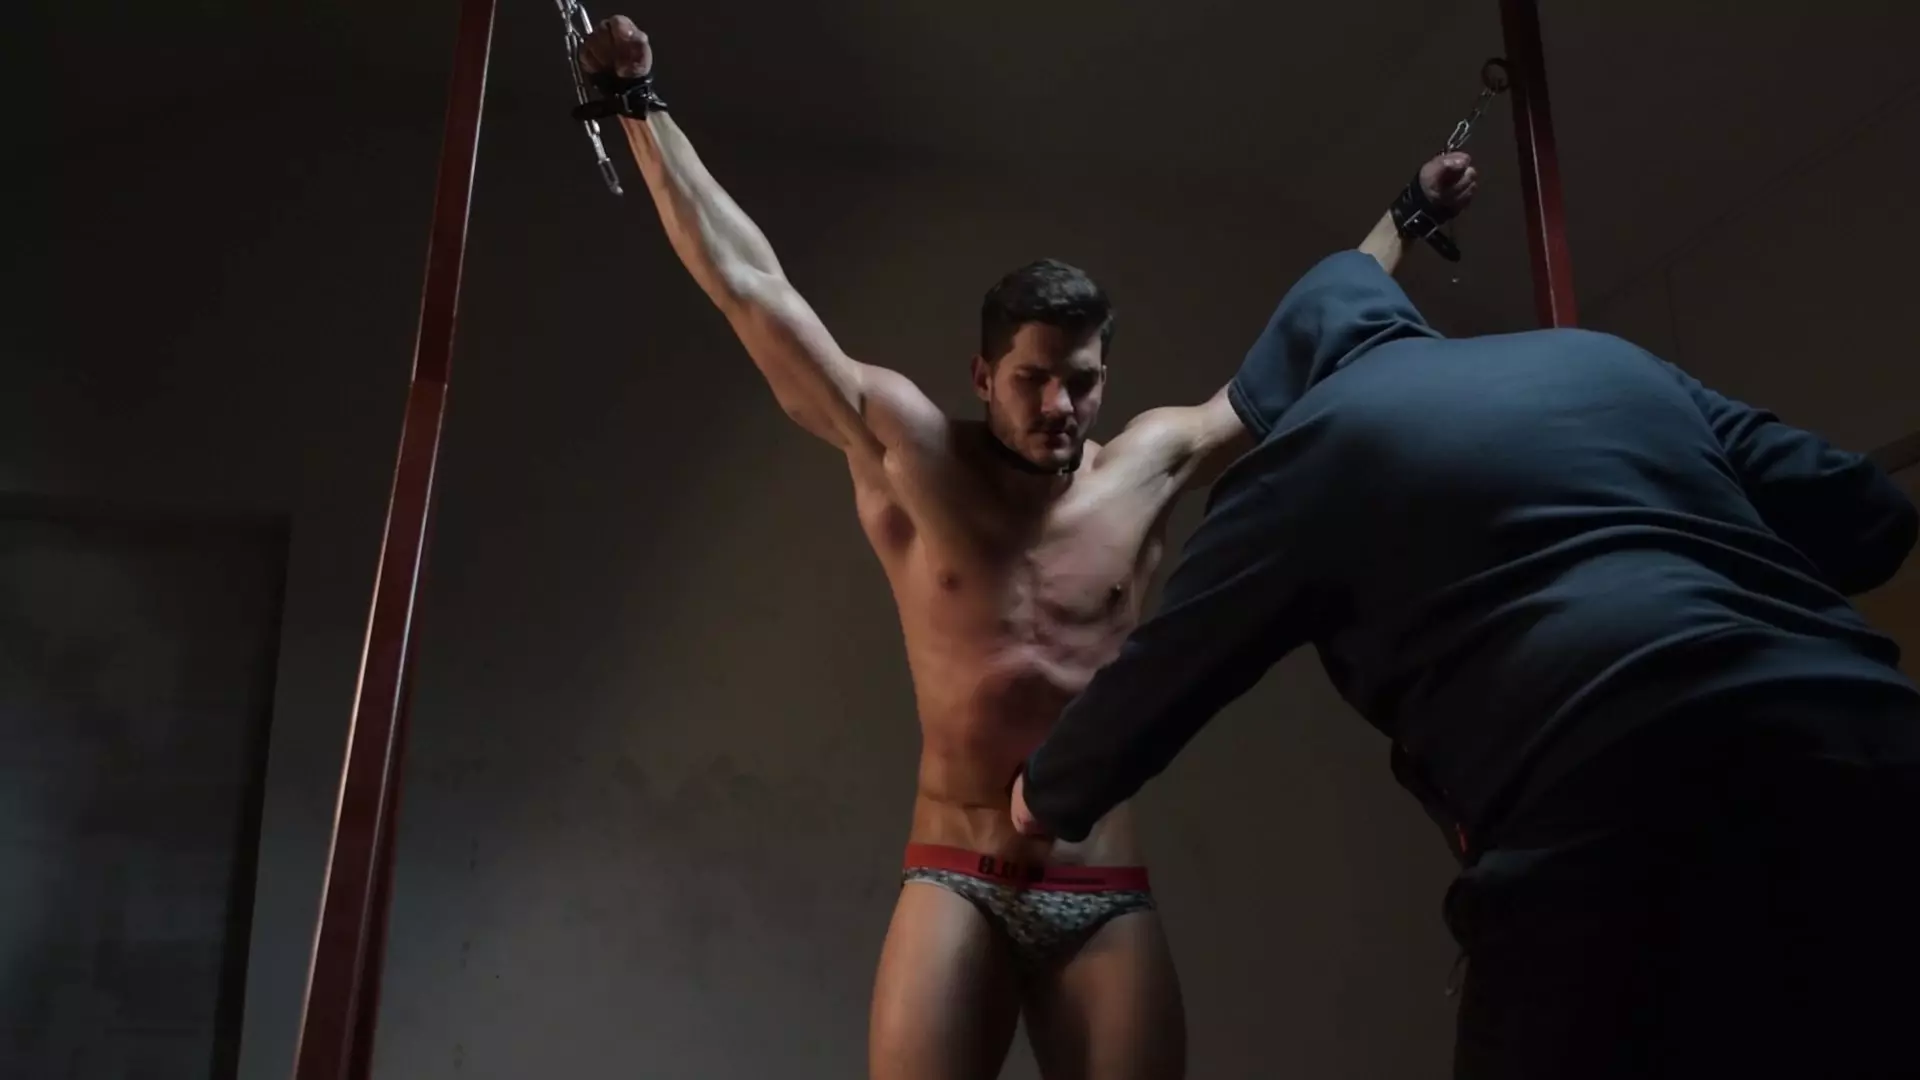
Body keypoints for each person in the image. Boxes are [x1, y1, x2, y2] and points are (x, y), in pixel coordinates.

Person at [578, 15, 1479, 1080]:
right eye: (1033, 379)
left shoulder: (1148, 466)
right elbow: (752, 288)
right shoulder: (910, 455)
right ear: (982, 376)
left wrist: (1407, 215)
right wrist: (638, 106)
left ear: (1106, 377)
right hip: (955, 871)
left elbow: (1304, 351)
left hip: (1104, 885)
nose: (1060, 406)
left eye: (1082, 382)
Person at [1009, 210, 1920, 1075]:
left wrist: (1041, 796)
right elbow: (1871, 516)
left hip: (1614, 820)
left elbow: (1166, 672)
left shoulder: (1312, 452)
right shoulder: (1608, 361)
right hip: (1880, 749)